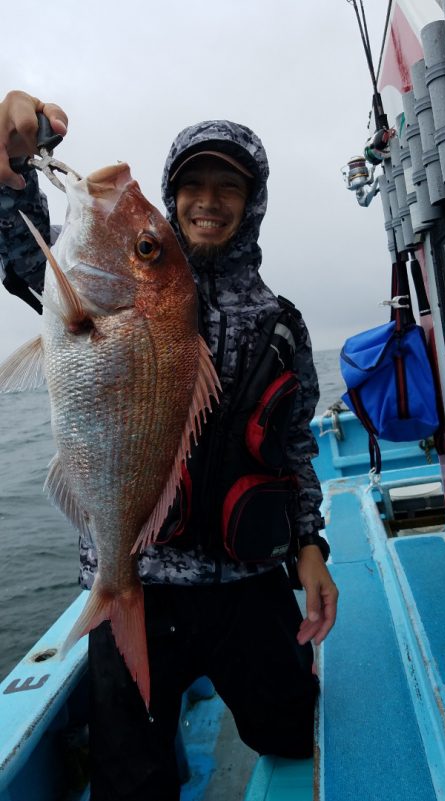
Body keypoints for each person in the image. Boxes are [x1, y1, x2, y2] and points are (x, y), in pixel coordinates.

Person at [0, 90, 339, 801]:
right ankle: (112, 605)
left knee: (291, 730)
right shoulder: (122, 278)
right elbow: (23, 247)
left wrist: (311, 546)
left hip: (247, 579)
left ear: (254, 202)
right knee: (130, 784)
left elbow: (297, 442)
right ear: (172, 195)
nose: (208, 202)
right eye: (191, 186)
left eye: (229, 188)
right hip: (142, 581)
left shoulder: (282, 320)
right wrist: (15, 165)